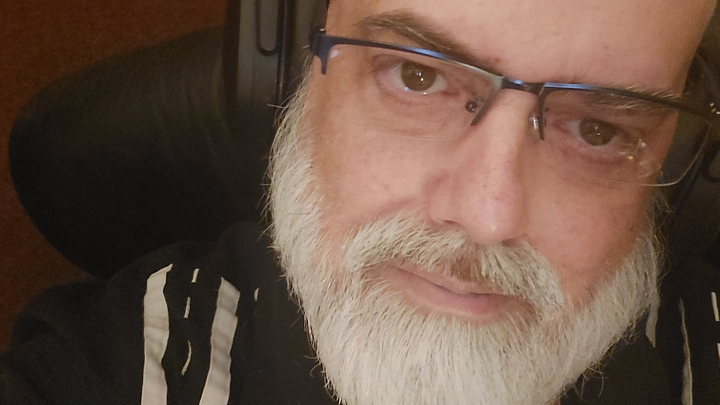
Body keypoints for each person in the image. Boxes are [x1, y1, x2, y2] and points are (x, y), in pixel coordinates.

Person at [2, 0, 719, 404]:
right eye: (416, 77)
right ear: (300, 73)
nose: (487, 215)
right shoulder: (110, 368)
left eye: (598, 130)